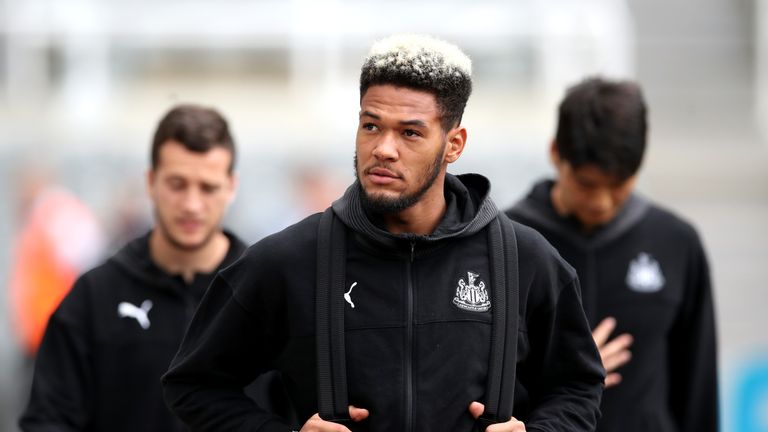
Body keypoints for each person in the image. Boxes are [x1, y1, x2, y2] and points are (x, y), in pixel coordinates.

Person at [162, 34, 605, 432]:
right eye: (371, 125)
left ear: (454, 144)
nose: (383, 149)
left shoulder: (526, 261)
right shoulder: (288, 260)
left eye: (411, 133)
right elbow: (194, 385)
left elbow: (578, 389)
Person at [505, 77, 718, 432]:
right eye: (586, 184)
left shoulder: (677, 241)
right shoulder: (507, 243)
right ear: (556, 153)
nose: (601, 202)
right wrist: (573, 375)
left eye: (618, 185)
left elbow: (697, 386)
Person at [20, 104, 247, 431]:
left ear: (231, 187)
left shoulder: (264, 291)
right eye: (177, 184)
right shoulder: (93, 298)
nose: (191, 204)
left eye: (208, 187)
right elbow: (49, 419)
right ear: (151, 181)